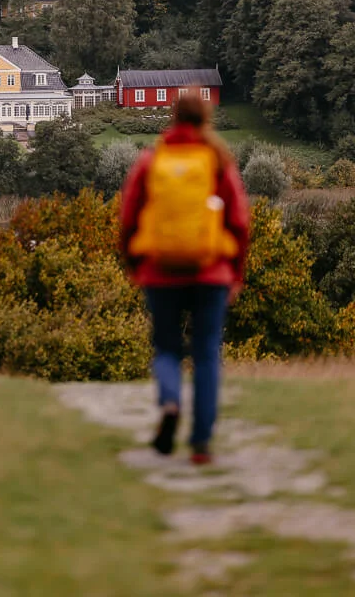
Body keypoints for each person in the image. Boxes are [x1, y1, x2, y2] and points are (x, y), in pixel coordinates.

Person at [120, 92, 250, 464]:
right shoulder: (217, 160)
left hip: (160, 271)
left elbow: (129, 216)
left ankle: (171, 403)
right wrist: (235, 272)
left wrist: (134, 263)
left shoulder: (152, 159)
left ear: (173, 116)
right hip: (212, 272)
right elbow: (239, 222)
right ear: (206, 117)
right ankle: (201, 443)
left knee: (166, 348)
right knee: (207, 353)